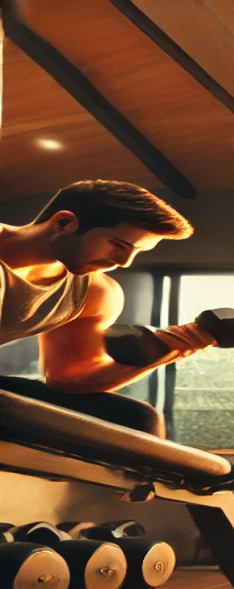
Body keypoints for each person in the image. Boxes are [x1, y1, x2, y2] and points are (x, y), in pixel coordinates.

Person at [0, 179, 203, 437]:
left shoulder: (93, 293)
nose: (124, 262)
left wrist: (180, 344)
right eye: (118, 244)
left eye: (137, 251)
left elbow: (68, 378)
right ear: (64, 223)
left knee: (134, 418)